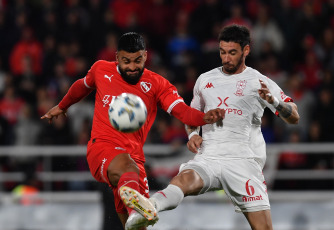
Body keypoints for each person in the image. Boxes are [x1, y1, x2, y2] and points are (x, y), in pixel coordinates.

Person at [121, 25, 300, 230]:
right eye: (222, 52)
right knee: (183, 180)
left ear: (246, 51)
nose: (226, 58)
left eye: (232, 53)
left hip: (243, 162)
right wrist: (193, 135)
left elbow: (294, 116)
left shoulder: (259, 81)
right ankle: (150, 206)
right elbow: (191, 117)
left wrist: (275, 102)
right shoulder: (205, 80)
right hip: (210, 156)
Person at [41, 32, 224, 228]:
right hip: (102, 147)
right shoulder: (101, 69)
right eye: (126, 61)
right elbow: (82, 86)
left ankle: (134, 212)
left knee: (135, 226)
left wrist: (203, 117)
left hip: (134, 161)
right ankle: (136, 207)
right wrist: (62, 106)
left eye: (137, 60)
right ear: (117, 57)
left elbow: (182, 112)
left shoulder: (158, 85)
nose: (132, 67)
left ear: (145, 56)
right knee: (128, 170)